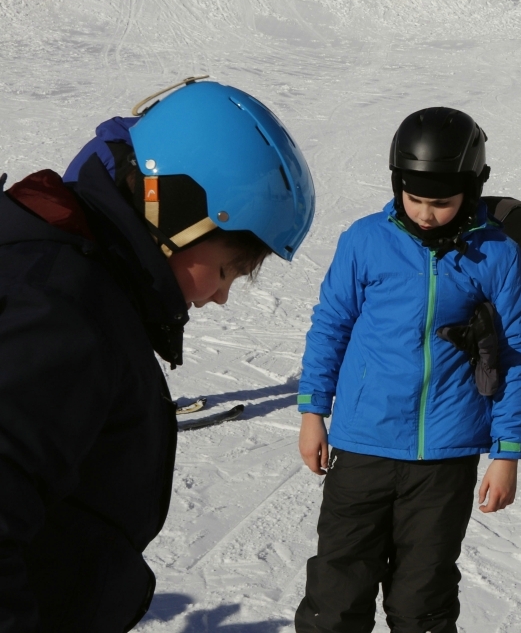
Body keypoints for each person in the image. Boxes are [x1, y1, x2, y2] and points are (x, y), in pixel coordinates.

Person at [0, 78, 316, 631]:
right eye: (226, 270)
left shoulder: (78, 282)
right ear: (177, 212)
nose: (220, 296)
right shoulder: (63, 312)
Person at [294, 106, 521, 633]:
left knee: (422, 602)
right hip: (364, 444)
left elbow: (517, 355)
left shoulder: (497, 255)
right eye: (415, 199)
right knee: (336, 593)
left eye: (442, 203)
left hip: (444, 458)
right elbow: (330, 326)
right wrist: (313, 410)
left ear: (470, 191)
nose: (426, 214)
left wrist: (507, 453)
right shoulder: (365, 240)